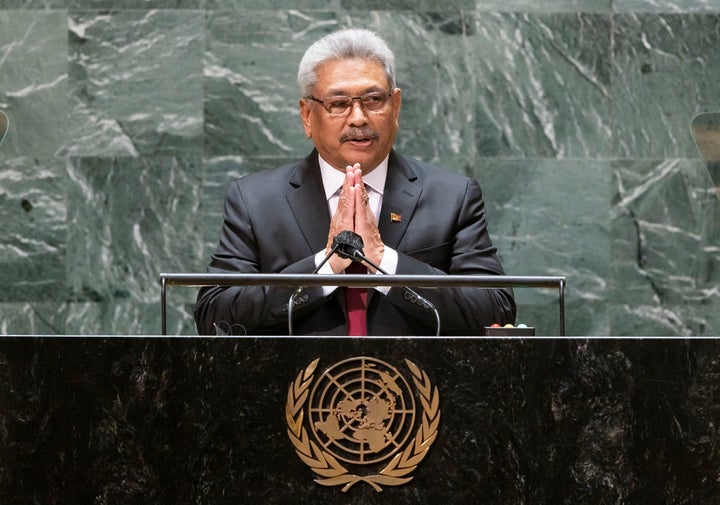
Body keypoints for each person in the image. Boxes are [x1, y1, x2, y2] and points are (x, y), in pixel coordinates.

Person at [194, 28, 516, 336]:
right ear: (307, 116)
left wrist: (383, 261)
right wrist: (325, 268)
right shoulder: (256, 201)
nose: (359, 117)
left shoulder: (453, 197)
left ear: (396, 107)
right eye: (338, 104)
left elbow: (494, 310)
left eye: (374, 100)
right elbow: (215, 316)